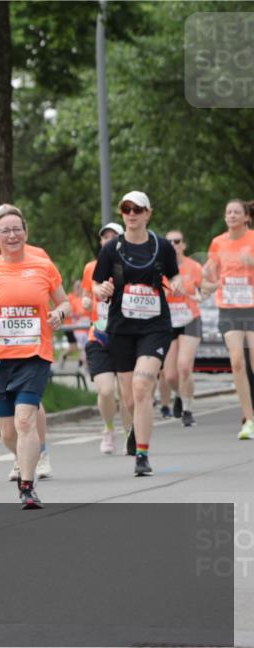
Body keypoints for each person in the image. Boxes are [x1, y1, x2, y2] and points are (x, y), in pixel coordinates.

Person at [0, 204, 70, 508]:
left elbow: (64, 302)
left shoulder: (42, 265)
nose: (12, 235)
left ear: (26, 232)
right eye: (5, 231)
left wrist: (60, 313)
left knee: (25, 422)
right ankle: (24, 459)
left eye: (17, 229)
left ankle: (27, 486)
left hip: (35, 353)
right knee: (8, 432)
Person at [93, 191, 181, 476]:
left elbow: (174, 274)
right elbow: (95, 285)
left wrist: (178, 284)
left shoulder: (162, 246)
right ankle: (133, 430)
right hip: (121, 327)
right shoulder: (111, 250)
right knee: (129, 398)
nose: (131, 214)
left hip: (155, 326)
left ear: (147, 213)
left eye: (137, 209)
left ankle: (142, 454)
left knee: (143, 388)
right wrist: (102, 290)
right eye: (126, 209)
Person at [202, 199, 254, 439]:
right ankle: (249, 420)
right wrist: (208, 278)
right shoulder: (218, 243)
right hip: (229, 309)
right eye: (228, 212)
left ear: (246, 217)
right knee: (236, 362)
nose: (231, 215)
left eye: (236, 212)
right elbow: (210, 280)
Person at [82, 222, 133, 454]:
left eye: (113, 236)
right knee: (105, 391)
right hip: (99, 335)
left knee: (126, 393)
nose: (108, 240)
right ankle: (109, 428)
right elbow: (87, 292)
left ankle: (129, 432)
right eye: (105, 237)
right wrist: (86, 300)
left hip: (124, 334)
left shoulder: (132, 264)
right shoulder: (90, 267)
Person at [159, 230, 204, 427]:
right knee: (169, 375)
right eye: (168, 242)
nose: (173, 245)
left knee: (184, 366)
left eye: (176, 241)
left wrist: (201, 294)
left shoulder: (193, 266)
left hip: (190, 320)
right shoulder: (159, 267)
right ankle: (179, 393)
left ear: (183, 245)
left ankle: (187, 409)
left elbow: (206, 288)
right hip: (168, 322)